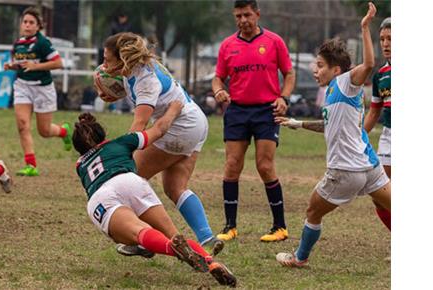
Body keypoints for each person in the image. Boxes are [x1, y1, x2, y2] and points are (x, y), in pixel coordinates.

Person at [274, 2, 391, 267]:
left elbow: (369, 63)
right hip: (370, 166)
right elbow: (330, 126)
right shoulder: (332, 92)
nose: (315, 70)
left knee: (313, 212)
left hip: (345, 171)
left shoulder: (346, 82)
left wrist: (364, 28)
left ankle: (299, 258)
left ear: (336, 70)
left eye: (319, 65)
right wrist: (298, 123)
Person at [72, 102, 236, 287]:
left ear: (79, 148)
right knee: (172, 233)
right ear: (103, 135)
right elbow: (159, 129)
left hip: (102, 195)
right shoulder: (122, 142)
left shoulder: (80, 165)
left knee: (138, 232)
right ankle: (210, 262)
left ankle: (171, 250)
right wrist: (174, 109)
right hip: (132, 182)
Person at [98, 32, 224, 256]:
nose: (103, 64)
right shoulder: (137, 66)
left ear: (123, 59)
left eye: (108, 59)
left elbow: (139, 124)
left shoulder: (146, 82)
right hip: (195, 119)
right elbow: (138, 91)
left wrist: (120, 153)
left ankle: (143, 240)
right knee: (175, 187)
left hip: (180, 126)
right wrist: (113, 94)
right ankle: (207, 237)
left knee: (131, 179)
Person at [211, 0, 296, 242]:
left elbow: (289, 73)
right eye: (238, 16)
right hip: (237, 111)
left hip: (267, 111)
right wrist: (218, 91)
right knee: (232, 165)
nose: (243, 20)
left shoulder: (274, 42)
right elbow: (218, 78)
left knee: (265, 166)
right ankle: (230, 226)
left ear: (257, 14)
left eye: (247, 15)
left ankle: (280, 227)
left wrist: (284, 97)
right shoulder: (227, 45)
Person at [4, 7, 72, 177]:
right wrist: (12, 66)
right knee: (22, 125)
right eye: (25, 22)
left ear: (38, 26)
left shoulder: (43, 43)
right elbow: (21, 63)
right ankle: (31, 165)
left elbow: (58, 63)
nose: (27, 25)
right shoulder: (18, 43)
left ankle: (63, 131)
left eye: (31, 22)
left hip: (42, 88)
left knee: (44, 131)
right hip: (22, 86)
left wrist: (37, 66)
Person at [364, 17, 391, 231]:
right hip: (389, 138)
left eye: (391, 39)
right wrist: (356, 137)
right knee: (379, 194)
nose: (385, 44)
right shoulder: (381, 75)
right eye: (382, 39)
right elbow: (374, 112)